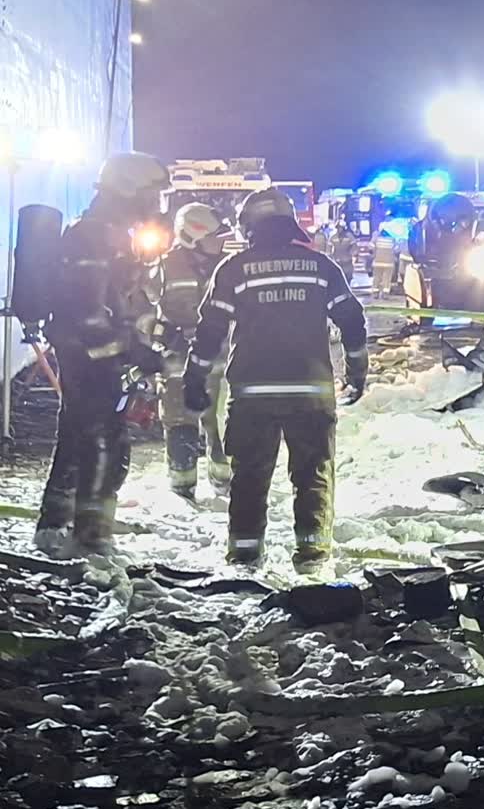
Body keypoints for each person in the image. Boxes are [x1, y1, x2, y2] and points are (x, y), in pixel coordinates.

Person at [183, 186, 367, 573]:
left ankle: (245, 557)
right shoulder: (321, 267)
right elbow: (352, 320)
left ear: (250, 226)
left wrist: (194, 377)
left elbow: (210, 330)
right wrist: (357, 370)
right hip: (311, 393)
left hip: (253, 395)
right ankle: (313, 556)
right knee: (313, 474)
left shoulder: (233, 269)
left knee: (249, 476)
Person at [33, 152, 168, 558]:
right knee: (103, 440)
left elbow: (121, 300)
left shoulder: (111, 233)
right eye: (152, 194)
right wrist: (135, 349)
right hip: (89, 354)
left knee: (78, 433)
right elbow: (89, 313)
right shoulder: (93, 235)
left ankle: (55, 523)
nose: (156, 204)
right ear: (128, 190)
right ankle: (91, 537)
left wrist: (144, 334)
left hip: (98, 354)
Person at [157, 202, 232, 500]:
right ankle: (182, 486)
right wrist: (162, 335)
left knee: (224, 423)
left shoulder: (229, 267)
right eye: (214, 237)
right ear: (193, 237)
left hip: (222, 362)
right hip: (179, 363)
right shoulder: (163, 266)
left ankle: (225, 482)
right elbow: (141, 311)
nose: (221, 243)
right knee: (181, 424)